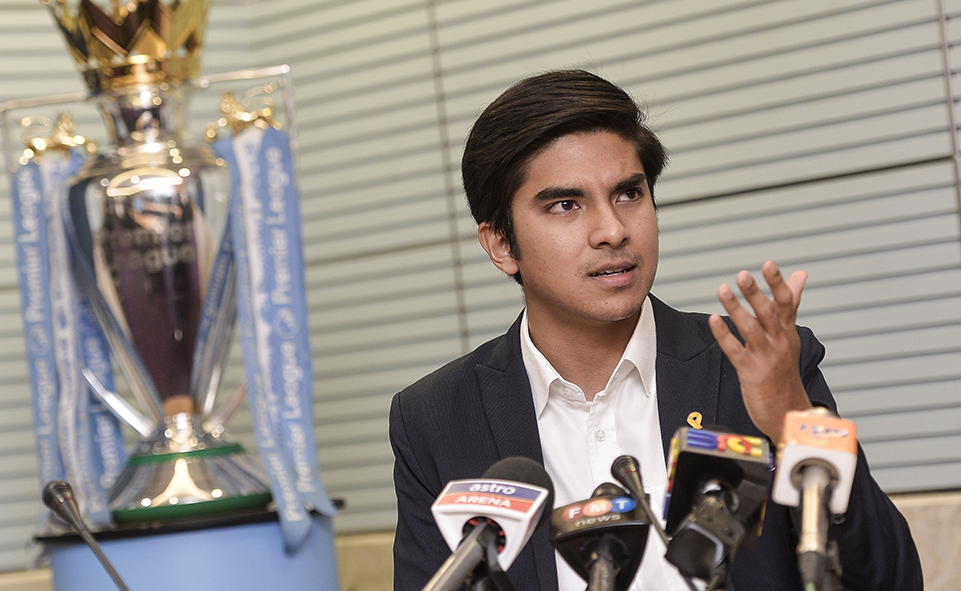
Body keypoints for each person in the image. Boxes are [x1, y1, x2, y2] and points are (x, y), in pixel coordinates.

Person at [389, 70, 922, 590]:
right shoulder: (437, 419)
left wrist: (793, 421)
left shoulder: (751, 365)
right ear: (501, 245)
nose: (613, 230)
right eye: (566, 205)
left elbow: (893, 580)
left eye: (628, 193)